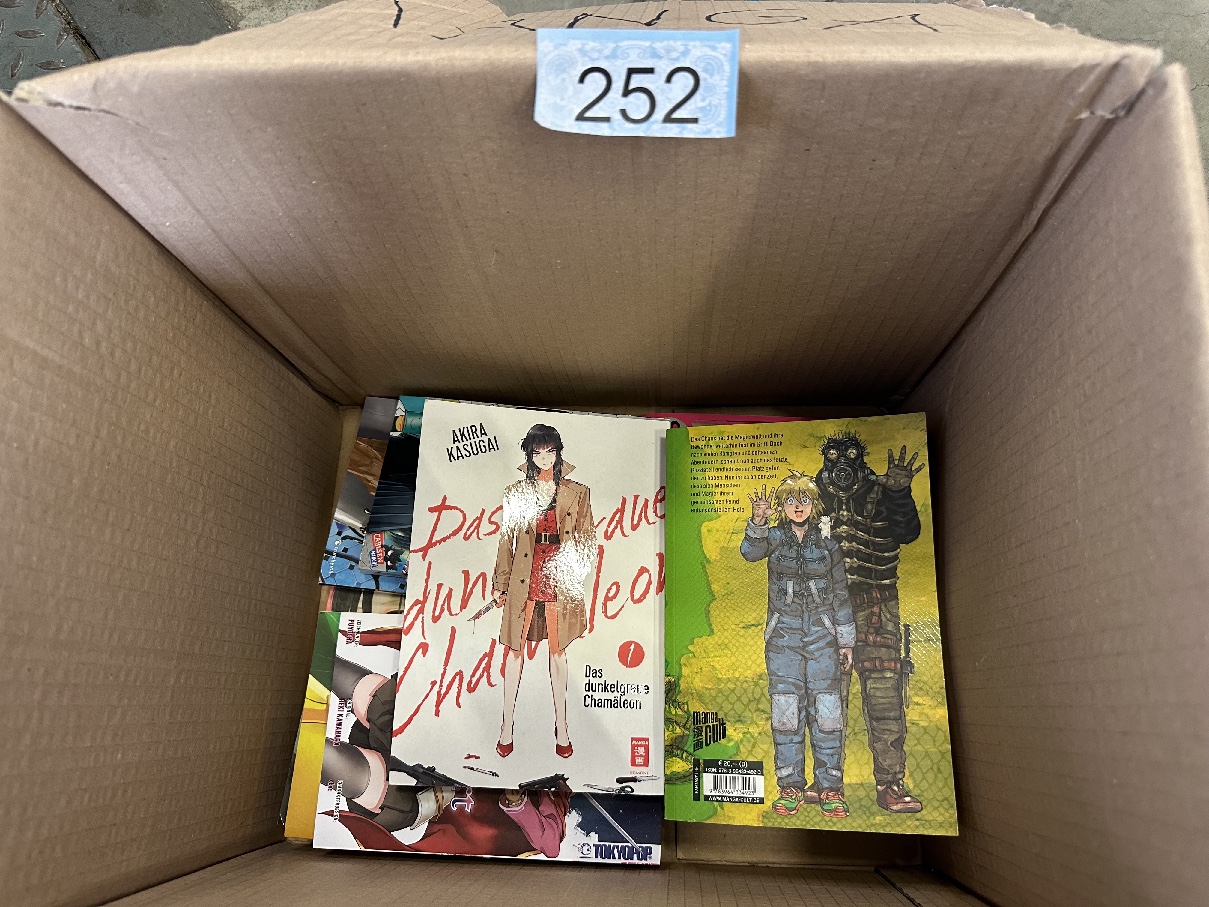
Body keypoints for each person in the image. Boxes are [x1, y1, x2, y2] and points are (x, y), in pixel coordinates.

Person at [815, 433, 925, 813]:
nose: (841, 464)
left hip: (878, 607)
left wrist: (899, 492)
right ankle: (827, 782)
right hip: (826, 612)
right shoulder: (811, 497)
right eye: (833, 456)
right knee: (827, 698)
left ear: (860, 459)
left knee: (884, 699)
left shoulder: (882, 491)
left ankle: (890, 782)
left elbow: (908, 533)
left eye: (849, 455)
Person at [742, 472, 855, 819]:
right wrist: (758, 521)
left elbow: (841, 594)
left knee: (828, 714)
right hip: (783, 639)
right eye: (791, 500)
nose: (798, 506)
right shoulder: (774, 539)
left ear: (814, 504)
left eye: (804, 499)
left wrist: (846, 641)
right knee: (786, 714)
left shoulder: (829, 546)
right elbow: (750, 552)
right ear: (782, 506)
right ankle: (790, 786)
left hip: (823, 638)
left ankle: (830, 788)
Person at [492, 424, 596, 759]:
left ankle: (562, 727)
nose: (545, 458)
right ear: (529, 454)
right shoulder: (515, 492)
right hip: (525, 573)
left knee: (558, 650)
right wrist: (500, 583)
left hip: (560, 576)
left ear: (558, 452)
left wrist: (574, 572)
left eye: (550, 451)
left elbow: (586, 539)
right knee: (515, 650)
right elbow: (506, 541)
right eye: (538, 452)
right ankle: (506, 725)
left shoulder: (578, 492)